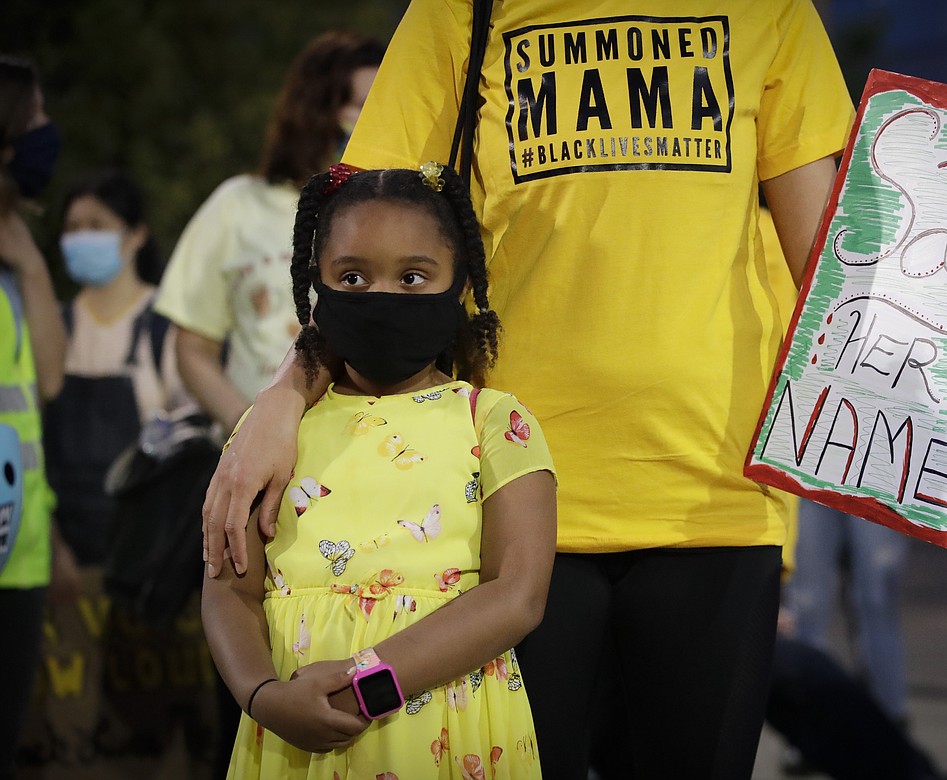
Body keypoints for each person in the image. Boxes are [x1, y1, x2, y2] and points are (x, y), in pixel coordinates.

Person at [201, 4, 947, 777]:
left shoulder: (768, 10)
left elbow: (840, 272)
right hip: (501, 513)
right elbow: (368, 237)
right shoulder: (459, 12)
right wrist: (285, 393)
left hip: (713, 498)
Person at [202, 163, 557, 779]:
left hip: (445, 734)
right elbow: (229, 589)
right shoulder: (270, 440)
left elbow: (517, 596)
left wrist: (365, 690)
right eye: (353, 277)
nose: (381, 297)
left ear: (460, 283)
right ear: (318, 285)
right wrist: (263, 696)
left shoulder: (495, 423)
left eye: (413, 277)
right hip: (291, 733)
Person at [18, 169, 214, 776]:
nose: (80, 239)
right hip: (65, 565)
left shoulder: (169, 328)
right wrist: (47, 546)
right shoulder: (50, 326)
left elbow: (196, 452)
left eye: (96, 227)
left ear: (136, 236)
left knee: (153, 743)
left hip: (149, 576)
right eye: (71, 228)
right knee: (68, 743)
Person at [154, 30, 384, 434]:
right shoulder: (237, 205)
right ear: (313, 111)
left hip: (372, 448)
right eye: (359, 107)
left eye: (383, 108)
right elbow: (192, 347)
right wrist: (248, 430)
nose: (372, 123)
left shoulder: (403, 213)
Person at [0, 54, 68, 780]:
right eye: (38, 118)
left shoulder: (19, 254)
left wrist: (31, 262)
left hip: (19, 553)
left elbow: (47, 377)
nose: (51, 134)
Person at [784, 501, 910, 724]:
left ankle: (890, 726)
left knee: (876, 601)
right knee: (806, 607)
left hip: (880, 477)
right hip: (807, 479)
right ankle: (806, 727)